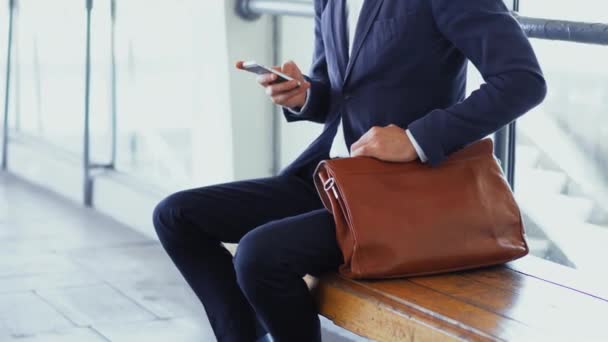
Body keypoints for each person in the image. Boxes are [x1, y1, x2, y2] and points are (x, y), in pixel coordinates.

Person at [153, 0, 547, 341]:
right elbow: (336, 90)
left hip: (403, 196)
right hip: (334, 178)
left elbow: (523, 81)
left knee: (260, 255)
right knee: (176, 216)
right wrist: (303, 93)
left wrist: (414, 139)